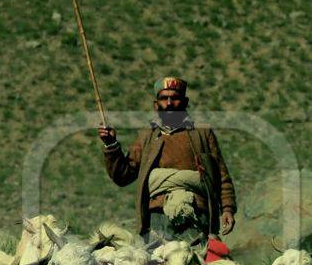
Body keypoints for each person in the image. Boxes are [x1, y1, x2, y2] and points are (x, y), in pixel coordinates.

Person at [97, 77, 236, 241]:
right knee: (158, 264)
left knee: (202, 264)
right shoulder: (147, 136)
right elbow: (123, 176)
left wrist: (227, 209)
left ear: (185, 102)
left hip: (197, 213)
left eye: (175, 98)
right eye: (164, 98)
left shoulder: (202, 133)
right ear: (156, 104)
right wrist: (111, 144)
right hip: (157, 217)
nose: (169, 103)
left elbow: (220, 174)